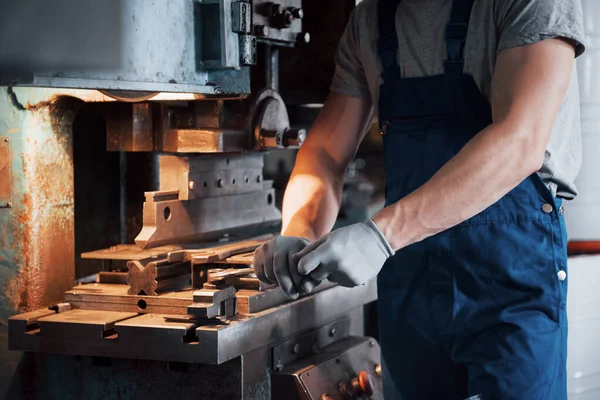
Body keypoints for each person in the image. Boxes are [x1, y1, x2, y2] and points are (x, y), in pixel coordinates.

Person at [253, 0, 585, 398]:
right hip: (412, 284)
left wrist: (380, 236)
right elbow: (326, 155)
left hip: (508, 281)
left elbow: (520, 141)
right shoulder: (369, 20)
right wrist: (300, 233)